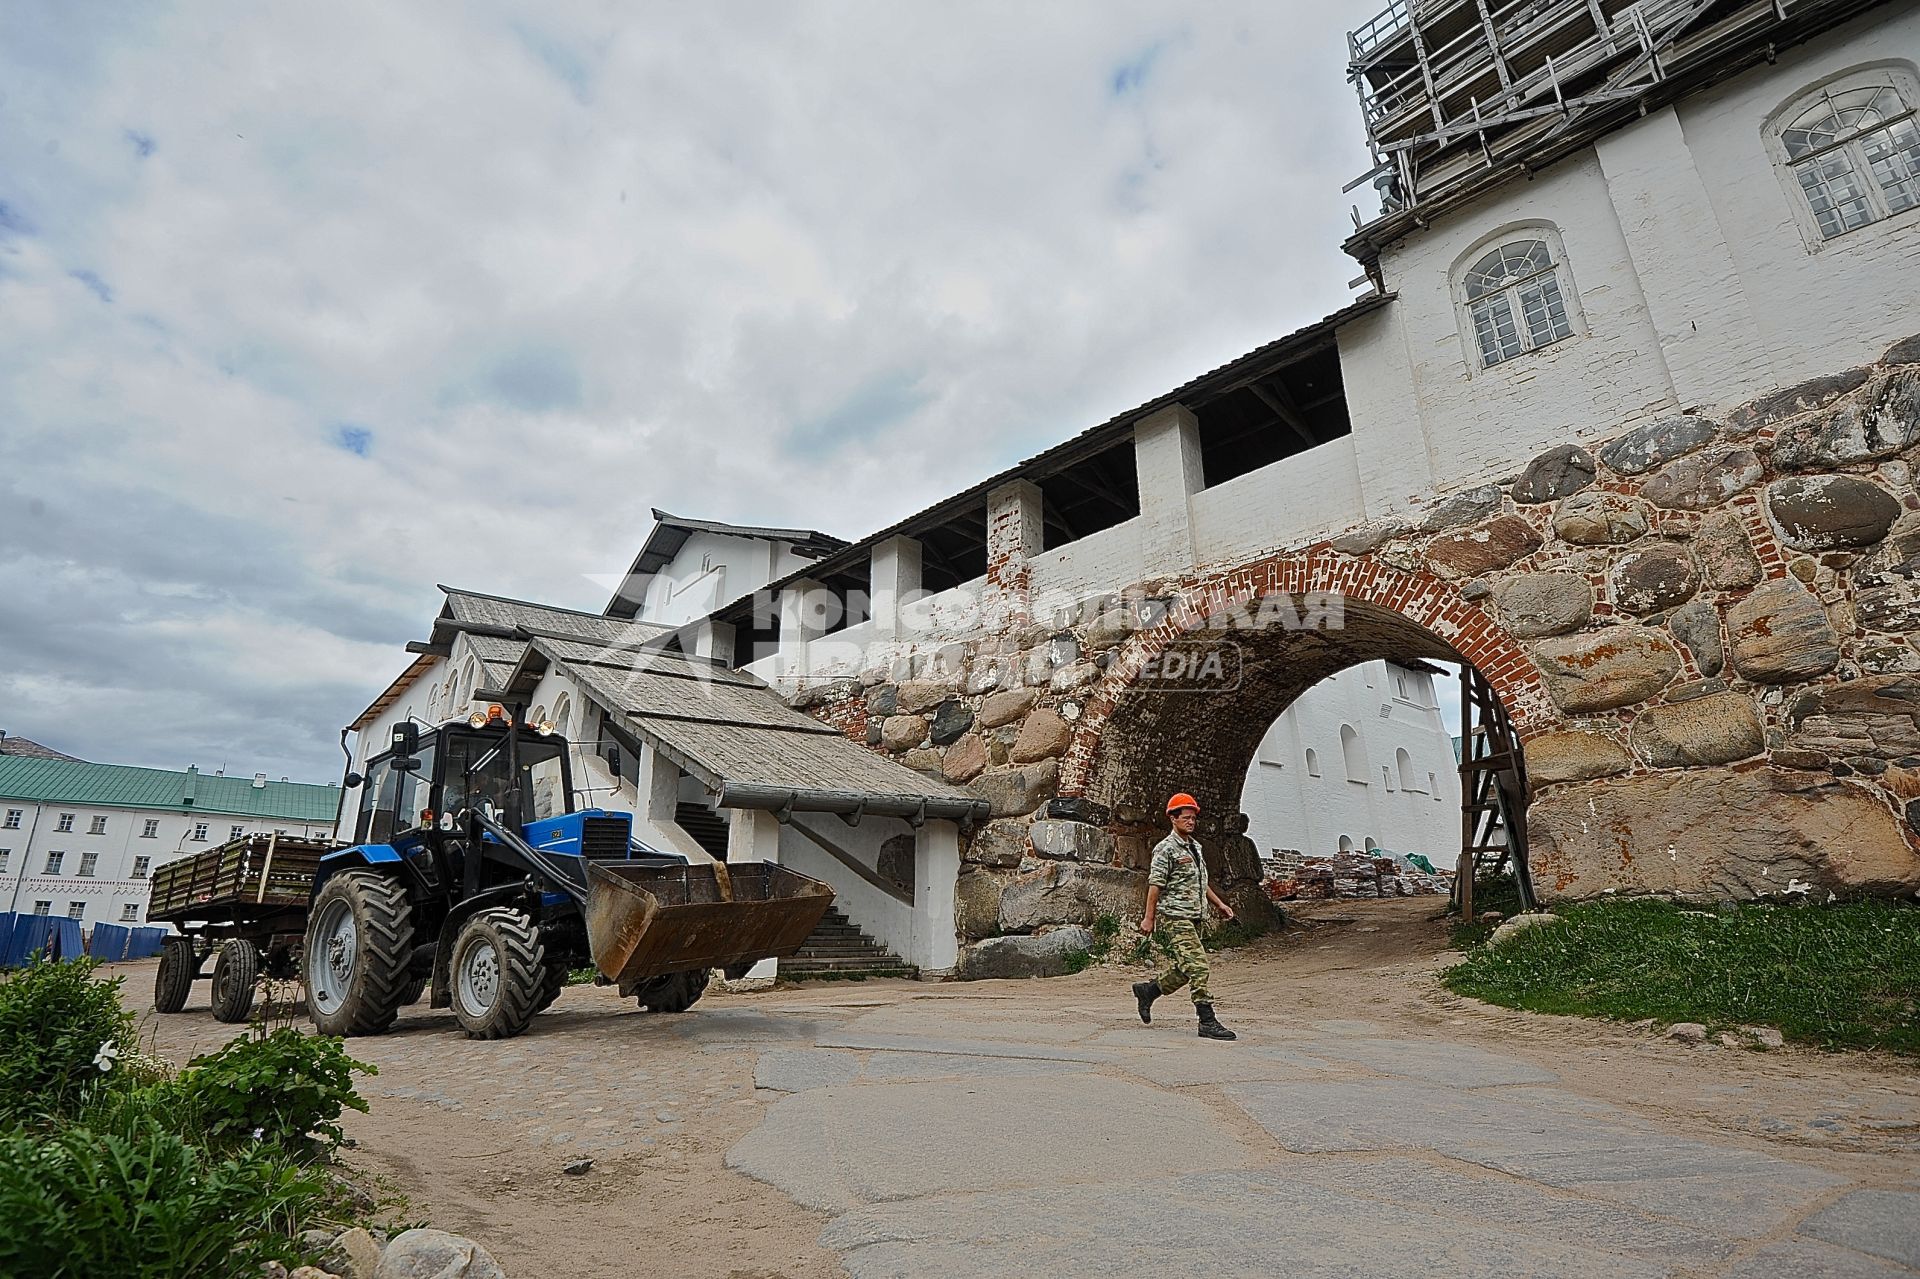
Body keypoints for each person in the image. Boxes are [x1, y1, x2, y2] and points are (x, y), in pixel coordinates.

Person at [1133, 793, 1238, 1041]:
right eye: (1186, 818)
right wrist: (1149, 918)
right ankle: (1207, 1020)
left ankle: (1149, 991)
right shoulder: (1166, 849)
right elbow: (1155, 885)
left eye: (1193, 818)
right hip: (1175, 916)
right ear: (1173, 818)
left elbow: (1202, 882)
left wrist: (1220, 904)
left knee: (1185, 968)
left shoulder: (1195, 847)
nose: (1191, 822)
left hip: (1195, 916)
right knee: (1199, 966)